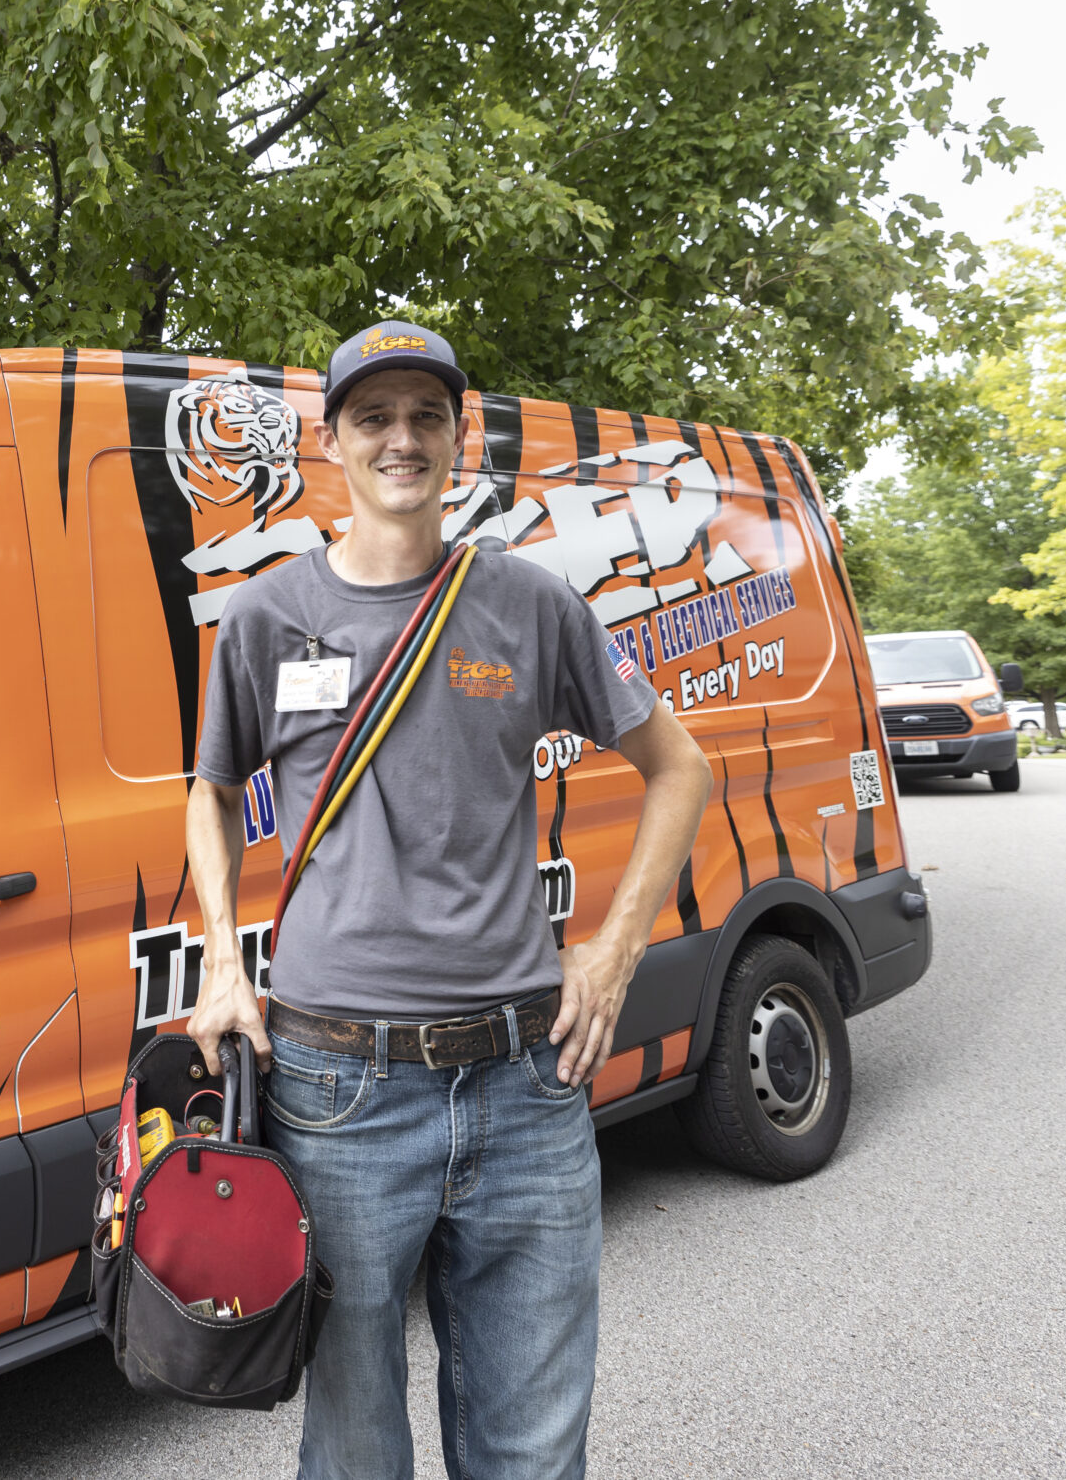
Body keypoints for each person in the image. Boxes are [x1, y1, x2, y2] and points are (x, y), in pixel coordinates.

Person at [184, 322, 712, 1480]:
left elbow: (683, 769)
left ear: (459, 438)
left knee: (531, 1442)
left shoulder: (529, 606)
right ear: (333, 444)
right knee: (357, 1442)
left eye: (426, 414)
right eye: (372, 417)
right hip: (337, 1088)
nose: (401, 438)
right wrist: (224, 963)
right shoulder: (267, 618)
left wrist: (613, 954)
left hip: (529, 1081)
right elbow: (212, 794)